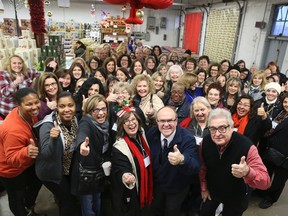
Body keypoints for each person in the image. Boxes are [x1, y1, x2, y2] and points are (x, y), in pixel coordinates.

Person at [199, 108, 270, 216]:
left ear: (231, 127)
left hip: (237, 196)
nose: (217, 134)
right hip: (213, 191)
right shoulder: (206, 142)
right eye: (213, 128)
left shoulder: (247, 146)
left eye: (222, 128)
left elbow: (265, 183)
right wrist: (204, 188)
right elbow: (203, 167)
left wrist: (248, 172)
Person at [146, 106, 200, 216]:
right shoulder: (151, 134)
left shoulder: (187, 138)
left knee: (171, 212)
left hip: (177, 186)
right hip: (157, 185)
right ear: (157, 122)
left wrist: (182, 159)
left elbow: (195, 166)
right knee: (155, 210)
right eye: (162, 121)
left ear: (176, 121)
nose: (166, 124)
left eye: (170, 120)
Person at [0, 88, 42, 216]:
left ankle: (28, 205)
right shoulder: (12, 129)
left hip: (27, 163)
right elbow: (11, 158)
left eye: (36, 102)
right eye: (29, 104)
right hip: (10, 170)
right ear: (19, 105)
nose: (35, 107)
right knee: (17, 199)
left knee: (38, 180)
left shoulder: (29, 115)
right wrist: (25, 152)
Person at [35, 91, 79, 216]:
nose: (67, 110)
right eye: (62, 106)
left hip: (64, 168)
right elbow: (46, 154)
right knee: (68, 201)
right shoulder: (48, 126)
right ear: (57, 108)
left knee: (66, 198)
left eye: (70, 105)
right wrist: (53, 139)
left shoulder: (75, 119)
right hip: (50, 172)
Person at [70, 94, 111, 216]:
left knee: (97, 201)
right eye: (96, 110)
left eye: (103, 109)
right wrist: (82, 145)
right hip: (86, 175)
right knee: (88, 207)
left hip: (98, 172)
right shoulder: (86, 122)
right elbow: (83, 132)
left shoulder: (106, 123)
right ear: (89, 111)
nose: (101, 113)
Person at [111, 109, 153, 216]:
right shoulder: (119, 147)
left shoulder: (142, 134)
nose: (131, 123)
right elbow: (121, 166)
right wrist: (126, 175)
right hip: (132, 193)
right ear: (122, 125)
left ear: (138, 121)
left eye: (133, 119)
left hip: (147, 183)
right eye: (126, 121)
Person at [258, 92, 288, 209]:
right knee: (267, 171)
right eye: (285, 102)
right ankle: (262, 190)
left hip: (285, 156)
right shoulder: (280, 112)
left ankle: (270, 198)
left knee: (279, 179)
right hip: (272, 150)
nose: (287, 104)